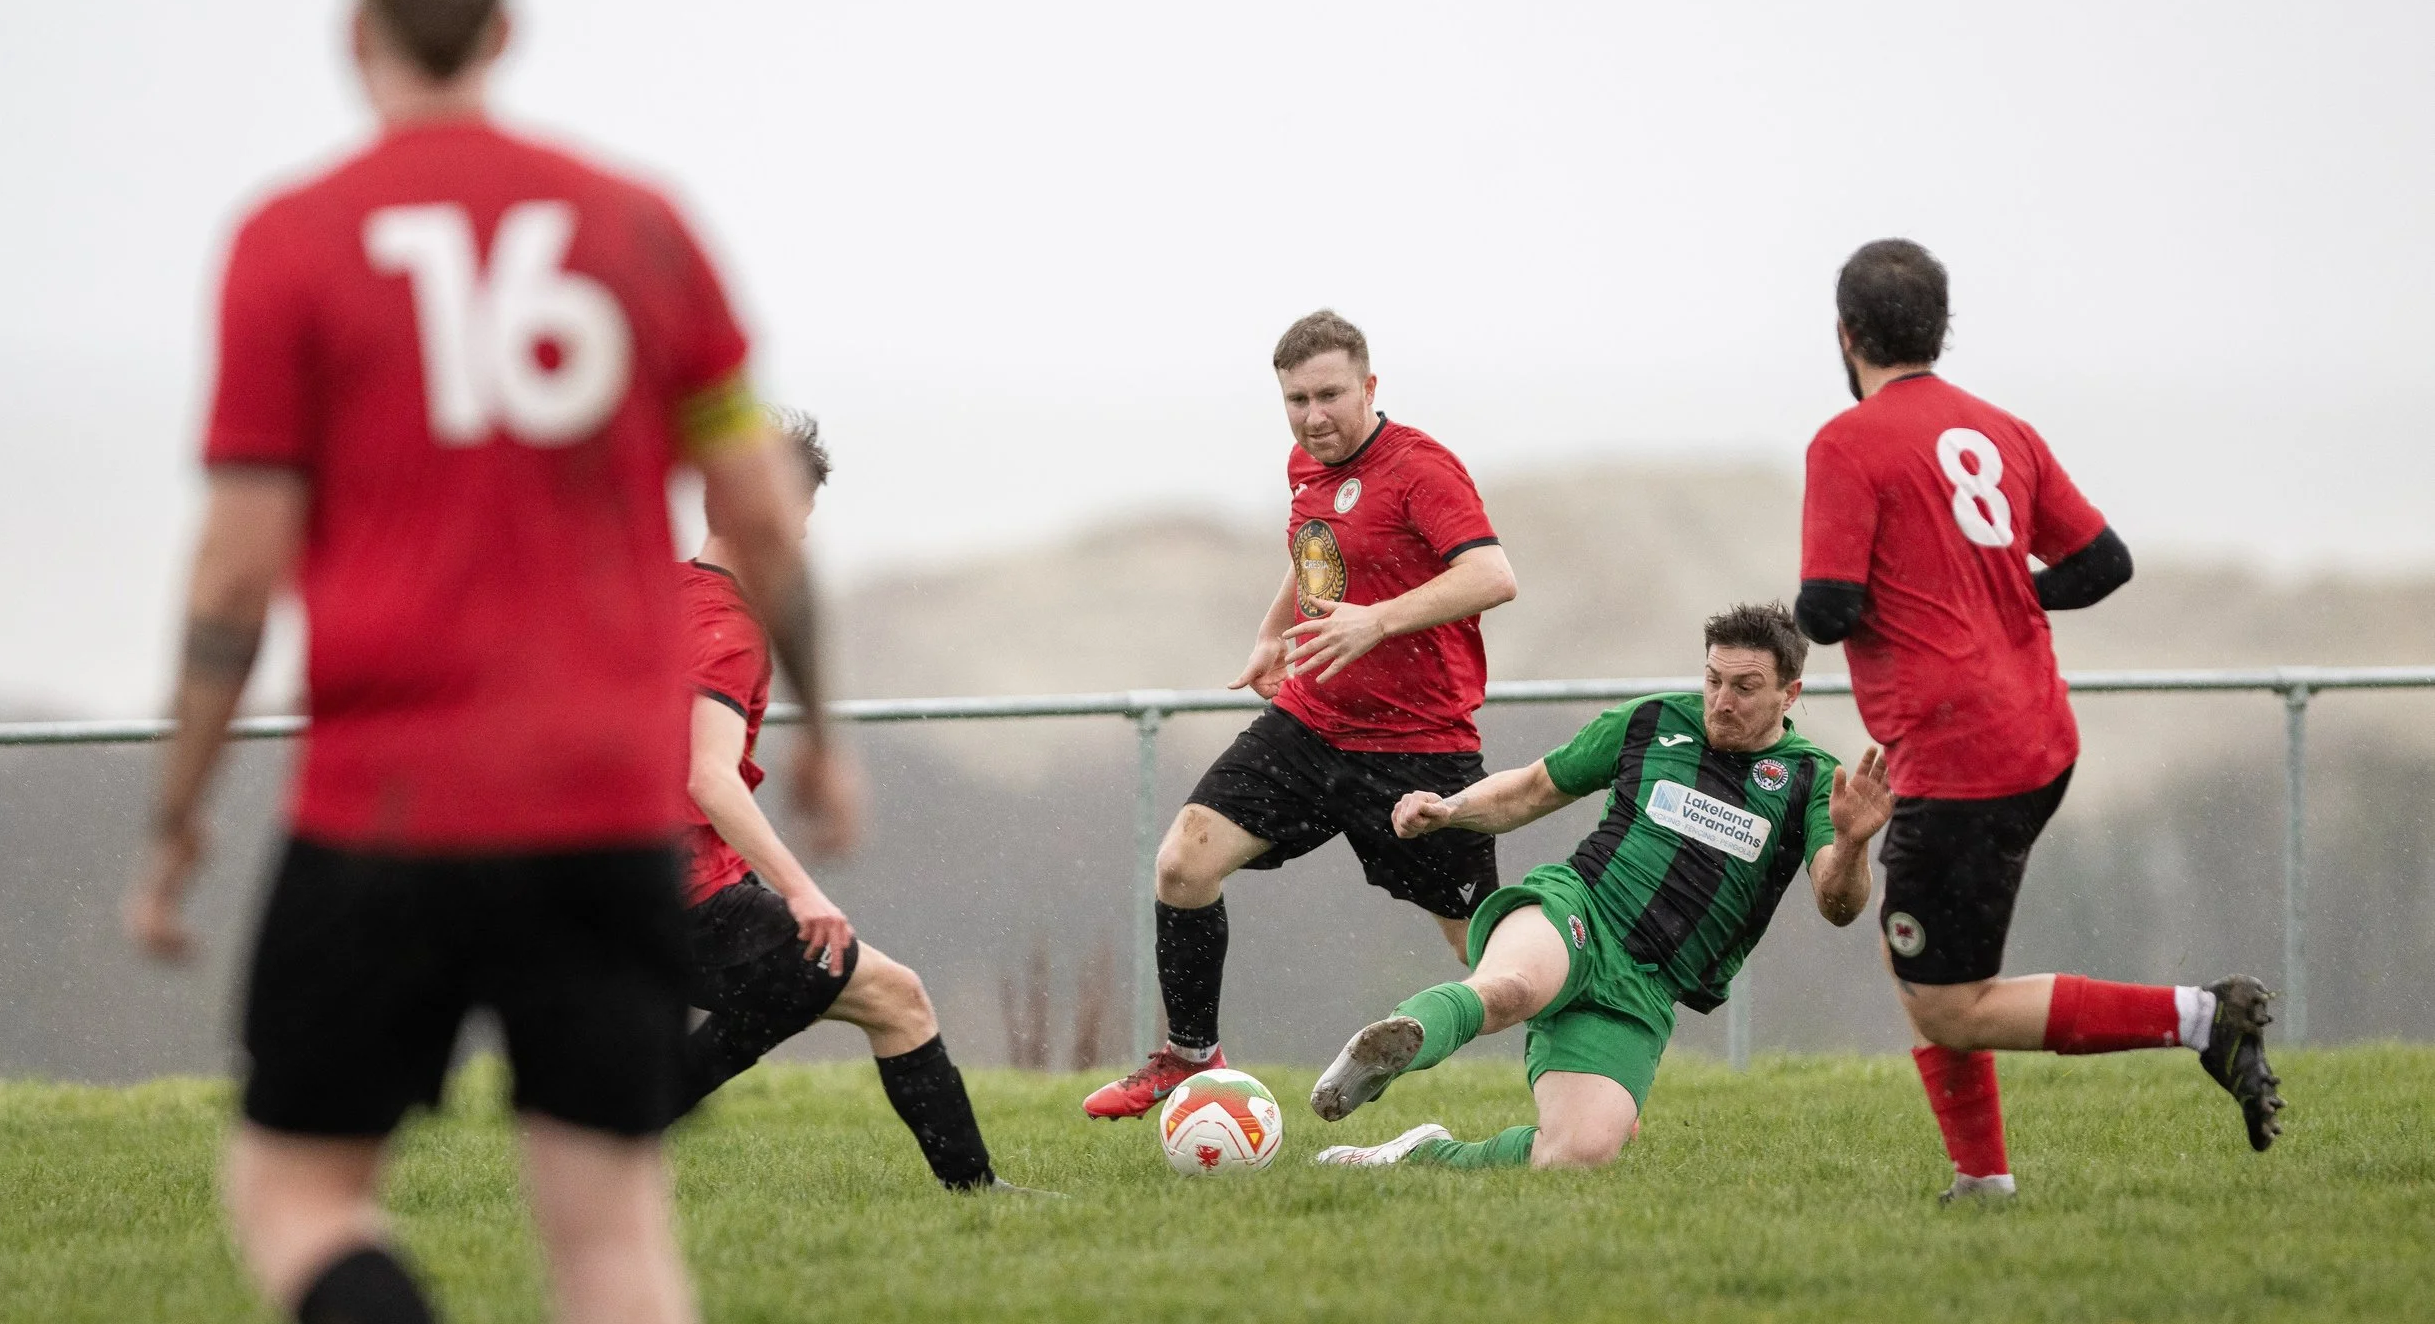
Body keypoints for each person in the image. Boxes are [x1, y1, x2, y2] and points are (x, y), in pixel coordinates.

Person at [120, 0, 857, 1324]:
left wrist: (174, 815)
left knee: (297, 1189)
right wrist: (822, 732)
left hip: (387, 808)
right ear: (510, 29)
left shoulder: (287, 241)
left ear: (356, 33)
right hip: (599, 816)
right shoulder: (642, 229)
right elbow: (758, 511)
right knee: (608, 1232)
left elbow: (236, 577)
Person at [1794, 238, 2282, 1203]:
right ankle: (1981, 1184)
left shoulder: (1844, 445)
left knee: (1949, 1005)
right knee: (1928, 968)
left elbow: (1827, 610)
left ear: (1845, 335)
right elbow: (2104, 564)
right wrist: (1996, 596)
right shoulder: (2003, 430)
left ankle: (2203, 1017)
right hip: (2038, 734)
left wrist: (1863, 607)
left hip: (1959, 752)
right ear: (1940, 329)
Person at [1083, 310, 1519, 1119]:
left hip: (1418, 751)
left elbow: (1493, 575)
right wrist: (1272, 632)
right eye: (1295, 400)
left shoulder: (1423, 469)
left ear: (1370, 387)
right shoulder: (1304, 464)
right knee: (1183, 865)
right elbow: (1316, 550)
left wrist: (1378, 619)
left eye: (1330, 395)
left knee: (1490, 958)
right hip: (1310, 724)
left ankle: (1591, 1073)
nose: (1314, 416)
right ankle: (1189, 1057)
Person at [1307, 605, 1892, 1167]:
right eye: (1713, 679)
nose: (1721, 701)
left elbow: (1838, 904)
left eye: (1745, 687)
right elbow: (1535, 787)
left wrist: (1853, 844)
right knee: (1511, 989)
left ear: (1790, 693)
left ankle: (1422, 1153)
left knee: (1577, 1157)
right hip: (1578, 910)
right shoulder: (1653, 720)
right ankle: (1382, 1053)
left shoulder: (1812, 777)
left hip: (1648, 986)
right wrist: (1449, 809)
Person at [674, 415, 1007, 1190]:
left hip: (630, 883)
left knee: (886, 997)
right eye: (794, 515)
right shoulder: (730, 626)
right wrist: (803, 889)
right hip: (687, 896)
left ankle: (975, 1197)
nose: (799, 538)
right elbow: (709, 776)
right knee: (851, 977)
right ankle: (641, 1111)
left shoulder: (665, 591)